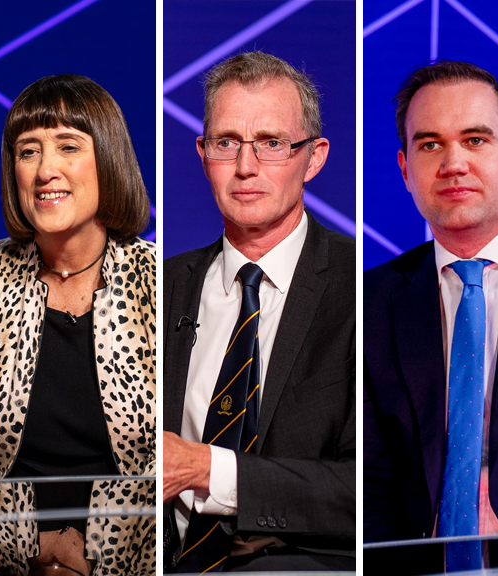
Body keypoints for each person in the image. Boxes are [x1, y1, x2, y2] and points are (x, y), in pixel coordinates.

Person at [0, 74, 156, 576]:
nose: (46, 170)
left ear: (107, 159)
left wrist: (97, 557)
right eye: (28, 151)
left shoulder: (164, 285)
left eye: (68, 146)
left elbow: (180, 466)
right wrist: (34, 545)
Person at [162, 51, 356, 572]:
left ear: (314, 157)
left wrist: (208, 470)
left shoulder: (361, 284)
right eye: (227, 143)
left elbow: (373, 486)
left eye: (271, 144)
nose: (246, 167)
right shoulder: (156, 289)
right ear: (203, 153)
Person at [364, 60, 498, 574]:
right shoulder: (370, 301)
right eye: (430, 145)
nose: (452, 163)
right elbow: (370, 482)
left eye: (475, 140)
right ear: (405, 170)